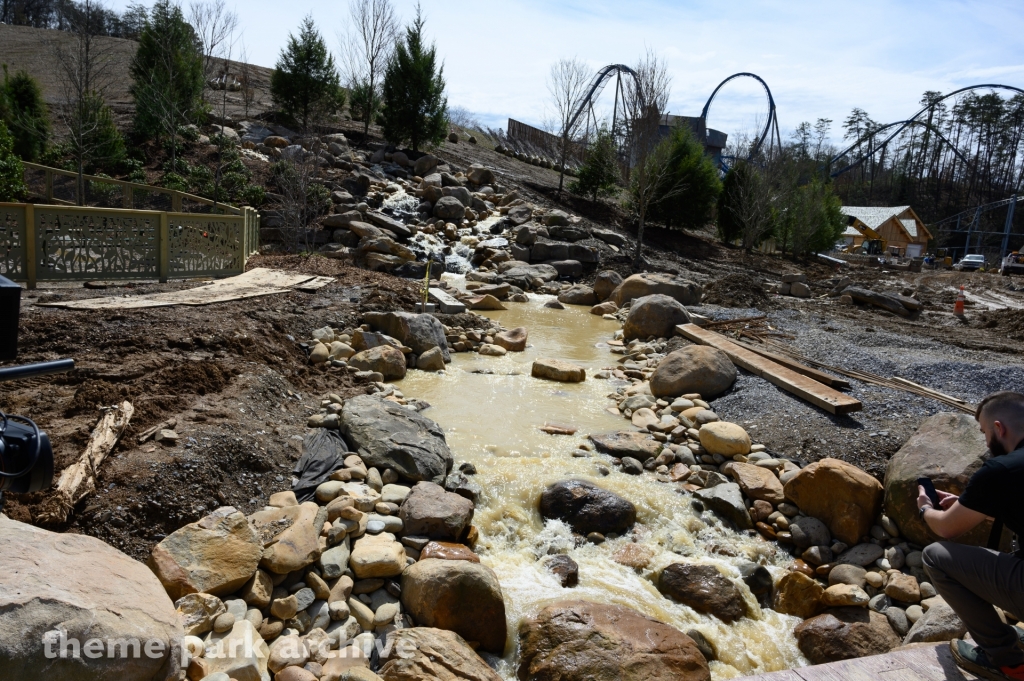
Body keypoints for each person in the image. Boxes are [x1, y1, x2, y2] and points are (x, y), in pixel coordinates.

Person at [918, 391, 1024, 681]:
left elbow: (946, 528)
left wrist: (926, 509)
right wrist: (973, 507)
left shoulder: (1001, 469)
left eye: (984, 432)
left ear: (999, 428)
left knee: (935, 556)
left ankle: (1009, 662)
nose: (986, 442)